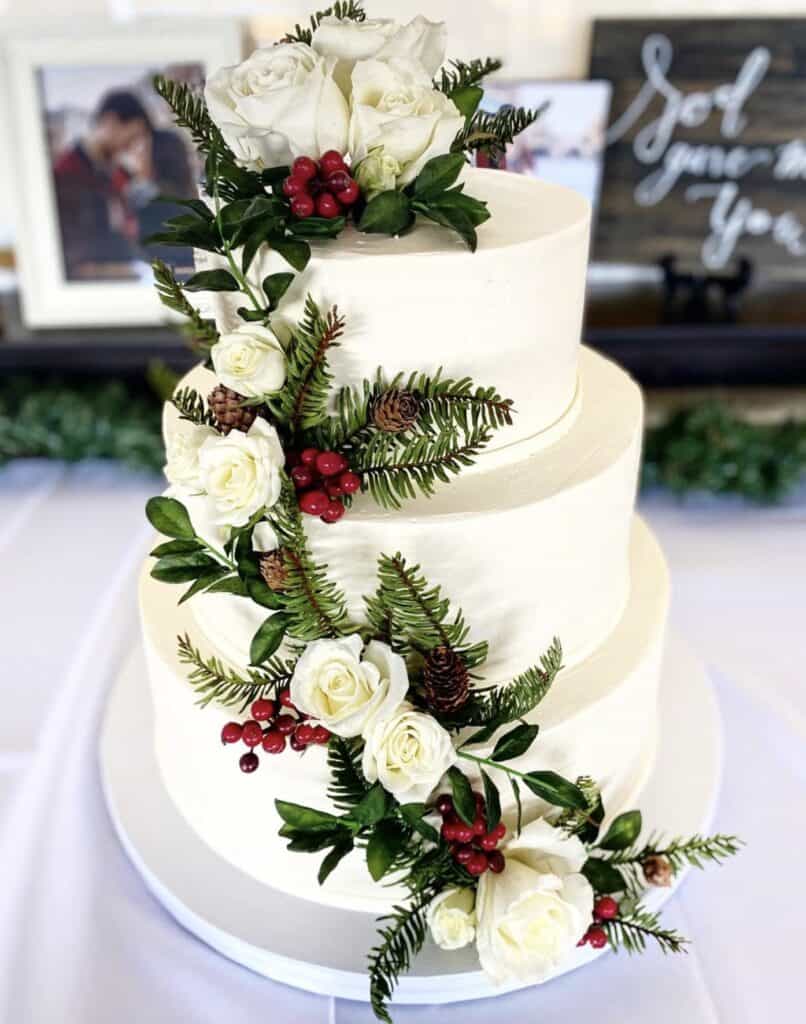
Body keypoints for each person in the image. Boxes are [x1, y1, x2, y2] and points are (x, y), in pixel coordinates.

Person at [53, 90, 152, 280]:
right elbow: (72, 255)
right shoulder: (67, 172)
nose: (131, 147)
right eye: (130, 139)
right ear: (110, 122)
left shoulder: (113, 173)